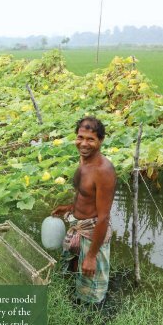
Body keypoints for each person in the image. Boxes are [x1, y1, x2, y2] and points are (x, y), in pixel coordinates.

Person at [52, 116, 116, 306]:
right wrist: (70, 208)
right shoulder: (84, 161)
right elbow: (85, 195)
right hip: (77, 225)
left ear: (101, 140)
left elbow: (103, 217)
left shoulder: (103, 171)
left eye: (90, 139)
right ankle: (74, 304)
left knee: (93, 287)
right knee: (72, 271)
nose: (84, 144)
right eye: (80, 137)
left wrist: (91, 256)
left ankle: (92, 319)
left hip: (93, 230)